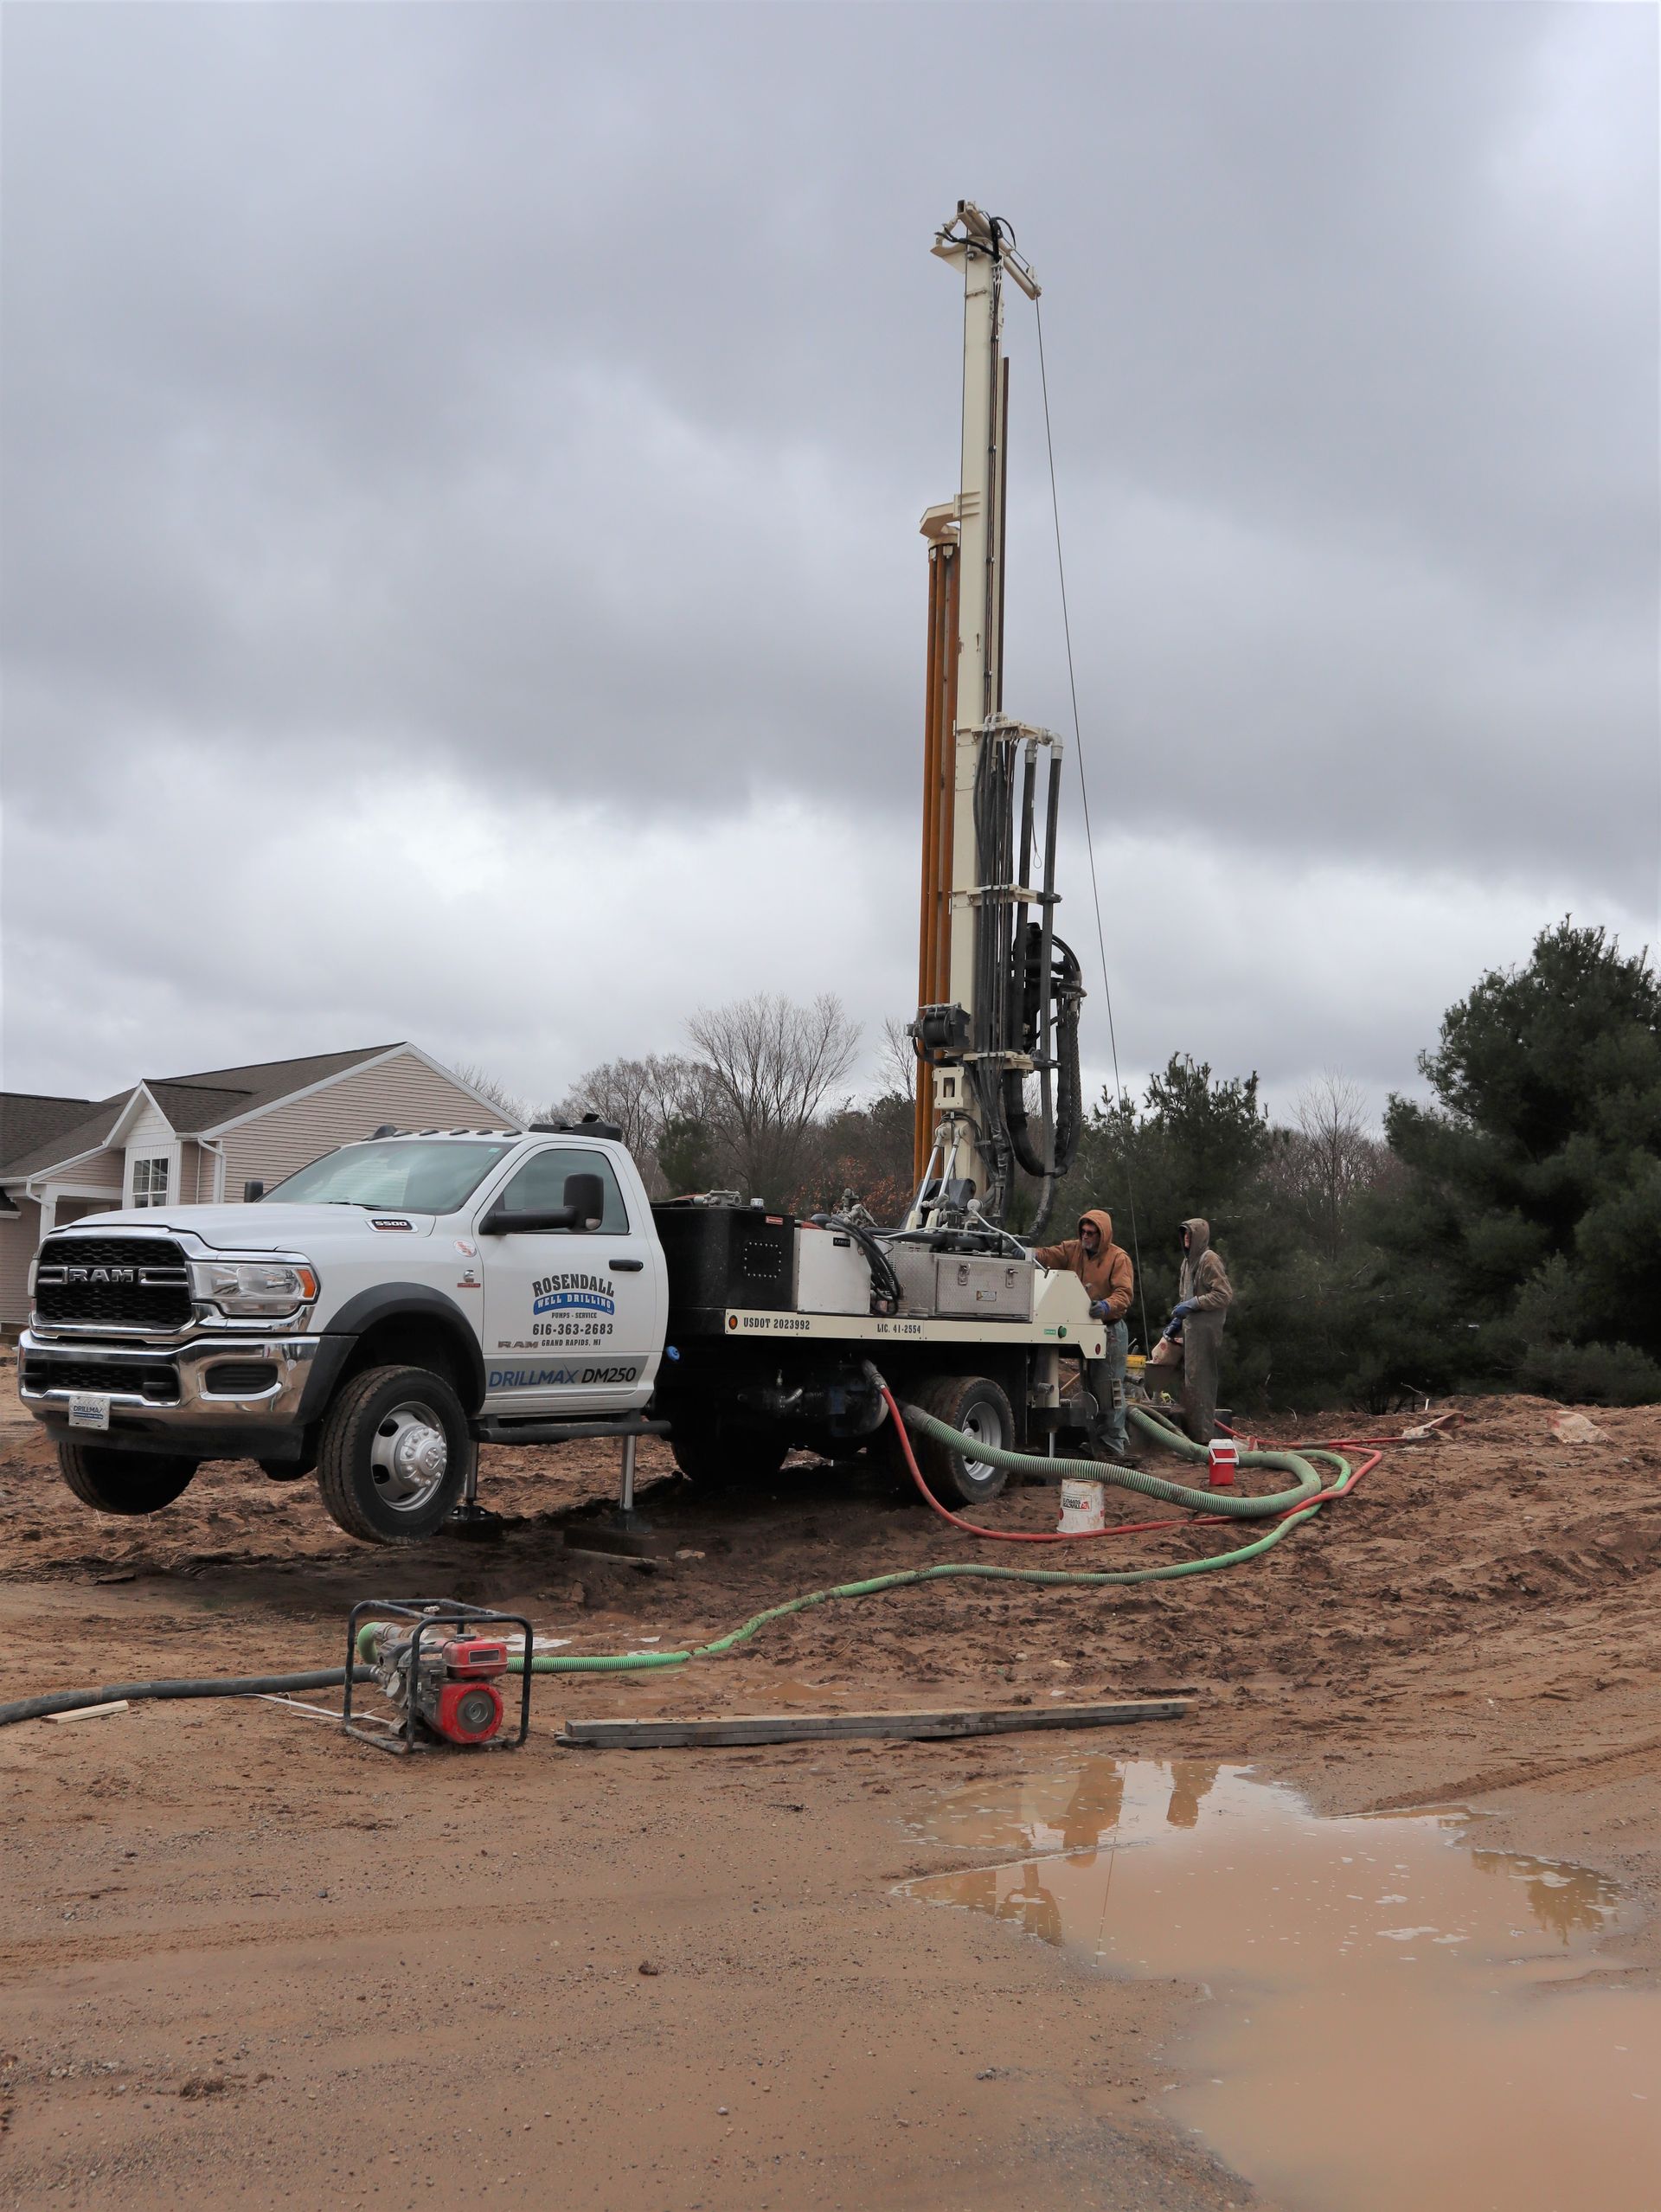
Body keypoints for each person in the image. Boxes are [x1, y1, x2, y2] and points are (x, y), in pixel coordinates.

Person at [1033, 1209, 1134, 1459]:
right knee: (1089, 1388)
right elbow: (1050, 1255)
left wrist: (1107, 1306)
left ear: (1103, 1234)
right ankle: (1097, 1442)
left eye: (1091, 1233)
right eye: (1083, 1231)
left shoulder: (1118, 1258)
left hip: (1110, 1329)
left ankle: (1113, 1444)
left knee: (1109, 1390)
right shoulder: (1073, 1250)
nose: (1086, 1236)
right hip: (1085, 1328)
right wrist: (1029, 1253)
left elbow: (1124, 1293)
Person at [1162, 1216, 1234, 1444]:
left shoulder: (1208, 1259)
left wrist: (1194, 1304)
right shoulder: (1187, 1263)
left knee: (1201, 1384)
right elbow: (1185, 1297)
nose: (1186, 1238)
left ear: (1199, 1237)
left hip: (1206, 1331)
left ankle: (1202, 1441)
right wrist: (1177, 1321)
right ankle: (1193, 1438)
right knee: (1190, 1384)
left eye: (1190, 1234)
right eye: (1183, 1233)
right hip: (1191, 1330)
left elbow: (1224, 1294)